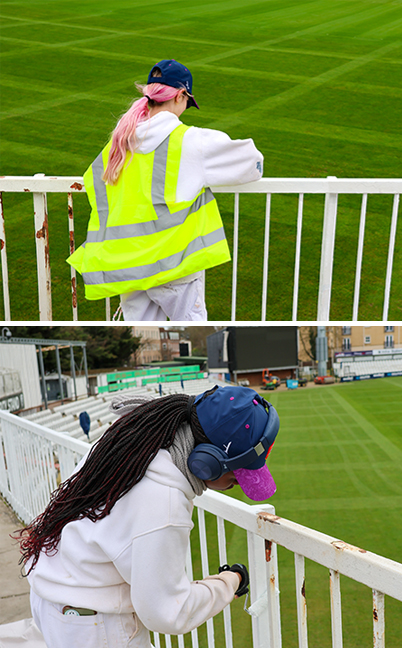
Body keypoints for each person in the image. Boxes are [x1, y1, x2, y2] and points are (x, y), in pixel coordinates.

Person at [16, 385, 279, 647]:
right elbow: (168, 614)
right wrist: (230, 581)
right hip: (93, 629)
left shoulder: (134, 440)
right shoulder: (163, 502)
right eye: (237, 473)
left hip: (54, 603)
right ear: (206, 462)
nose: (238, 483)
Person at [68, 59, 264, 321]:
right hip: (174, 268)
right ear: (181, 95)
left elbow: (97, 190)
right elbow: (253, 163)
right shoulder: (190, 141)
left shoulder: (118, 144)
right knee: (195, 328)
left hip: (128, 268)